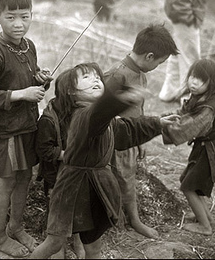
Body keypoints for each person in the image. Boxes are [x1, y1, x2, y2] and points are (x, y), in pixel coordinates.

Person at [29, 62, 173, 259]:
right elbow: (100, 114)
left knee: (94, 247)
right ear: (71, 90)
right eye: (86, 77)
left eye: (97, 76)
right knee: (54, 243)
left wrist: (158, 123)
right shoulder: (84, 116)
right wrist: (119, 100)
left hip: (96, 188)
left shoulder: (103, 118)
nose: (96, 79)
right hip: (72, 188)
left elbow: (127, 129)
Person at [0, 0, 53, 257]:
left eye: (25, 16)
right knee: (7, 181)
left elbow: (25, 79)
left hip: (26, 124)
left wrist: (39, 79)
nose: (19, 24)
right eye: (11, 17)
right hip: (6, 130)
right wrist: (22, 94)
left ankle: (15, 227)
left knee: (25, 177)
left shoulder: (29, 46)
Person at [104, 24, 178, 239]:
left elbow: (138, 111)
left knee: (128, 179)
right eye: (159, 63)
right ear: (149, 56)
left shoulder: (140, 73)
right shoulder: (117, 76)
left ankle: (131, 219)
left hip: (130, 139)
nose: (158, 66)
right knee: (117, 180)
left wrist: (140, 140)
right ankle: (119, 219)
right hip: (114, 141)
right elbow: (102, 113)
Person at [161, 59, 215, 236]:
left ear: (211, 84)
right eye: (192, 76)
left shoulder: (209, 107)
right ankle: (206, 217)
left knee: (188, 186)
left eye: (200, 80)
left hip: (212, 152)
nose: (193, 82)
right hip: (205, 148)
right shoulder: (198, 97)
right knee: (194, 183)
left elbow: (188, 127)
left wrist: (161, 127)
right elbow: (183, 113)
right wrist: (163, 118)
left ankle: (205, 227)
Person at [35, 73, 85, 259]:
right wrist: (67, 155)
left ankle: (78, 239)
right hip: (55, 173)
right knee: (57, 208)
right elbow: (44, 150)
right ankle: (58, 244)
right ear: (70, 93)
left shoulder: (80, 111)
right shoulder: (49, 119)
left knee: (78, 204)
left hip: (77, 172)